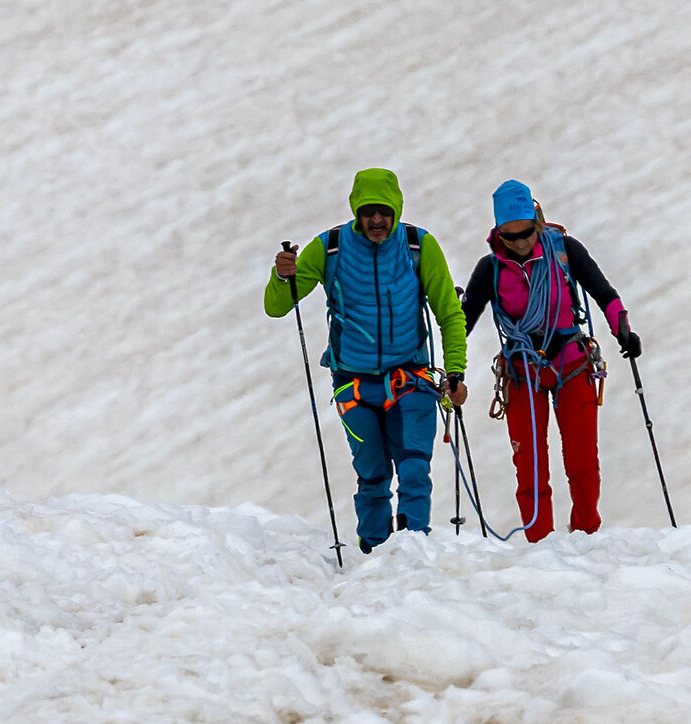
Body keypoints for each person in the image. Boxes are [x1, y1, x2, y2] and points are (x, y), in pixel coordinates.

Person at [266, 169, 469, 553]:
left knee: (413, 468)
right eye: (368, 212)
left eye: (384, 212)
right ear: (356, 211)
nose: (377, 220)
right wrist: (282, 276)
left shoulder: (418, 246)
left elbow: (449, 313)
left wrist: (455, 371)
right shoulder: (330, 248)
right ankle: (374, 552)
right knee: (372, 474)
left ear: (396, 209)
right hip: (353, 383)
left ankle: (412, 549)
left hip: (411, 378)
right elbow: (277, 307)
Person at [459, 180, 641, 540]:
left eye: (527, 233)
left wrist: (623, 329)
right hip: (521, 370)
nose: (522, 243)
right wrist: (451, 367)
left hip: (572, 362)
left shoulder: (565, 250)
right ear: (498, 233)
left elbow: (605, 293)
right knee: (530, 467)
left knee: (583, 463)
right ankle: (539, 545)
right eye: (511, 237)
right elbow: (462, 323)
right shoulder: (490, 269)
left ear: (537, 222)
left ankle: (586, 534)